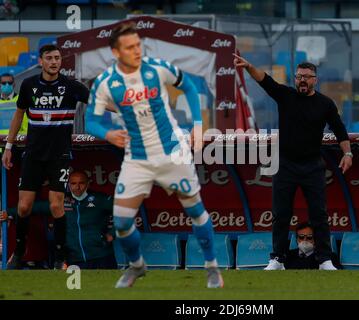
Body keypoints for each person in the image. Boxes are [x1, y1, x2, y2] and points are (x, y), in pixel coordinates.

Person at [85, 22, 223, 288]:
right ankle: (137, 266)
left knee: (196, 211)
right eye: (129, 47)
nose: (137, 51)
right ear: (115, 52)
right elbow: (92, 120)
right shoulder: (105, 83)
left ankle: (212, 267)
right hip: (137, 158)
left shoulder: (157, 68)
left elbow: (190, 88)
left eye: (138, 45)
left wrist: (196, 127)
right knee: (123, 222)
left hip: (172, 153)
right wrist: (108, 134)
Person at [234, 54, 352, 271]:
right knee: (281, 214)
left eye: (307, 77)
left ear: (315, 79)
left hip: (313, 166)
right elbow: (265, 81)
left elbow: (339, 129)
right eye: (299, 77)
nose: (302, 80)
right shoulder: (286, 95)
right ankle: (277, 259)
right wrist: (249, 66)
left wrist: (348, 154)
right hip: (285, 164)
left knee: (319, 214)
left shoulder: (325, 103)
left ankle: (324, 259)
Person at [1, 44, 90, 269]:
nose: (54, 62)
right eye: (49, 58)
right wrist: (9, 146)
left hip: (59, 155)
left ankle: (61, 257)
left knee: (56, 206)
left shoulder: (72, 87)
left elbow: (101, 103)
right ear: (41, 61)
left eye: (58, 58)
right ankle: (19, 251)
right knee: (23, 207)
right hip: (32, 154)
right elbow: (18, 116)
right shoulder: (29, 85)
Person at [0, 170, 117, 269]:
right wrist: (9, 212)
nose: (77, 187)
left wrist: (111, 234)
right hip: (74, 259)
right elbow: (34, 207)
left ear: (88, 184)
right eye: (73, 183)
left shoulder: (101, 199)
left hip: (102, 256)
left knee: (109, 293)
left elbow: (126, 213)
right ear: (68, 185)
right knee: (79, 294)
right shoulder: (60, 202)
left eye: (81, 183)